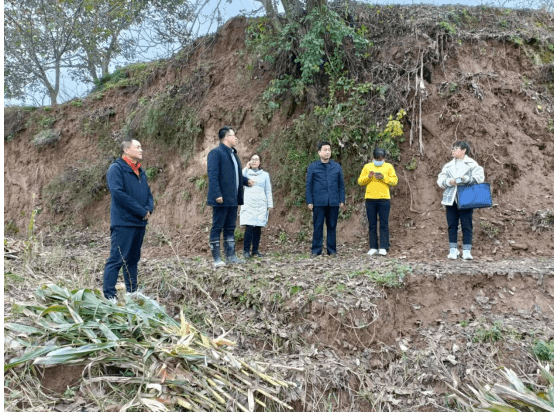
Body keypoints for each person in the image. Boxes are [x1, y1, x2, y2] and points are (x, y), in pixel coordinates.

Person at [103, 138, 154, 302]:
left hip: (139, 222)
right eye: (137, 147)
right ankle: (109, 295)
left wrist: (149, 209)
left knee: (132, 259)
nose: (141, 150)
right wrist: (140, 210)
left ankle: (132, 291)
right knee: (117, 258)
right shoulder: (116, 169)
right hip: (123, 222)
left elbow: (148, 193)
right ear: (126, 150)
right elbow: (118, 194)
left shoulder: (140, 171)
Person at [207, 126, 254, 267]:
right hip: (221, 198)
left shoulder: (233, 154)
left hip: (233, 198)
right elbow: (213, 175)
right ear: (227, 137)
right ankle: (216, 259)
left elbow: (236, 175)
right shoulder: (216, 153)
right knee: (217, 227)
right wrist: (216, 194)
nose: (236, 138)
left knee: (230, 228)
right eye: (233, 135)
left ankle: (231, 256)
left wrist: (246, 181)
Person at [437, 141, 484, 260]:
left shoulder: (472, 164)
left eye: (456, 148)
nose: (453, 151)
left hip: (466, 196)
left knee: (466, 225)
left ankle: (467, 251)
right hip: (451, 197)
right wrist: (449, 182)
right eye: (452, 149)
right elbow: (440, 179)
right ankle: (453, 250)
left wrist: (466, 179)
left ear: (463, 150)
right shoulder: (448, 165)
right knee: (451, 224)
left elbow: (480, 177)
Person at [305, 141, 345, 257]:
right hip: (318, 201)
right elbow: (309, 185)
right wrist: (310, 201)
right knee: (318, 225)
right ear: (319, 152)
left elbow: (341, 185)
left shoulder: (337, 167)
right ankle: (316, 250)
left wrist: (341, 200)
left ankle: (332, 250)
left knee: (332, 225)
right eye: (325, 150)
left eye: (329, 150)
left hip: (333, 201)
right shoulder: (313, 167)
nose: (327, 152)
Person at [357, 147, 398, 256]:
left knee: (384, 223)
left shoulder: (389, 167)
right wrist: (369, 176)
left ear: (384, 158)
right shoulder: (367, 167)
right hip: (370, 199)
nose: (379, 161)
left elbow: (394, 181)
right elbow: (360, 181)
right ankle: (373, 247)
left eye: (381, 159)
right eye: (377, 159)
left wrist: (383, 177)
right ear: (373, 158)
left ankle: (384, 247)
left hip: (384, 198)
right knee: (372, 224)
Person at [240, 154, 273, 258]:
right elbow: (238, 178)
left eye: (256, 159)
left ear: (260, 162)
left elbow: (268, 190)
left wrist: (269, 204)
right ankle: (246, 251)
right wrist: (246, 167)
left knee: (258, 227)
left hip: (260, 204)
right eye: (252, 159)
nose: (254, 161)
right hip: (249, 203)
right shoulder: (246, 173)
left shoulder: (265, 175)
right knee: (249, 226)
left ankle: (255, 251)